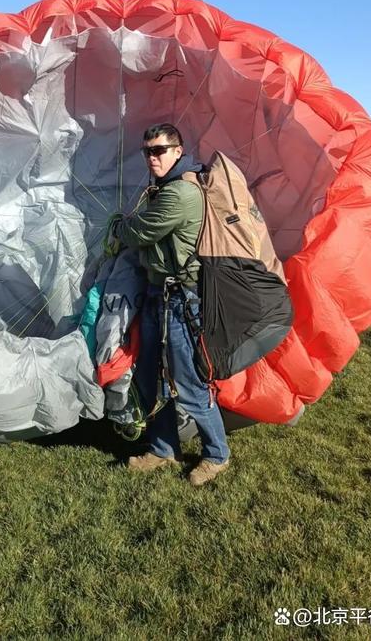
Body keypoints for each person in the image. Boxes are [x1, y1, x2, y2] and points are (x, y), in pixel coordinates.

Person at [116, 123, 230, 487]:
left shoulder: (180, 194)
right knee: (150, 376)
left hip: (181, 301)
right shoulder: (163, 188)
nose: (152, 158)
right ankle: (163, 448)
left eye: (159, 150)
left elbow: (140, 233)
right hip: (157, 295)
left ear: (178, 151)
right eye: (147, 151)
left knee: (189, 383)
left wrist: (119, 226)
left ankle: (217, 455)